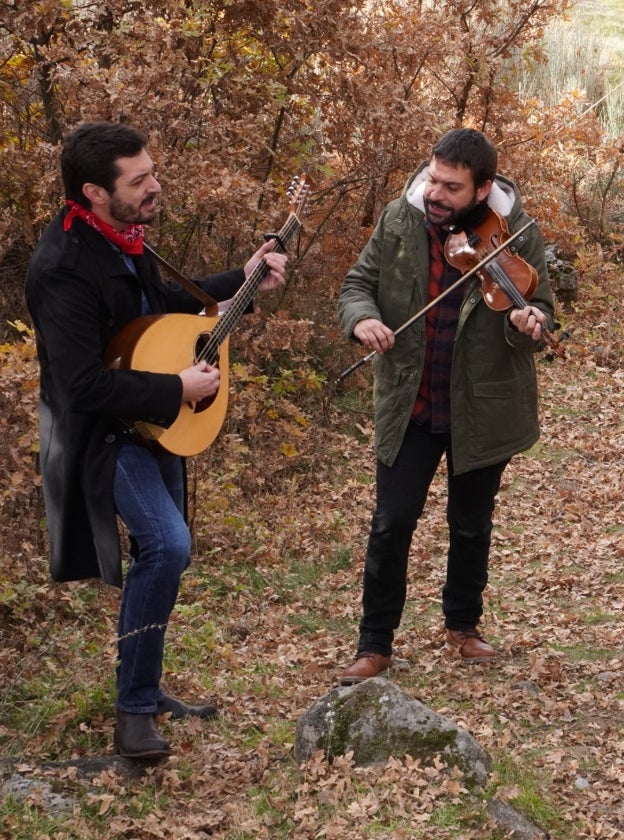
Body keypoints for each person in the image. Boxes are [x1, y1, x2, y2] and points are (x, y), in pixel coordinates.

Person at [25, 121, 287, 760]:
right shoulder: (62, 267)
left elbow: (161, 309)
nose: (154, 186)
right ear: (93, 190)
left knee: (164, 554)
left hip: (150, 425)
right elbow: (82, 384)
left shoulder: (124, 238)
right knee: (168, 546)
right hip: (100, 435)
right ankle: (133, 714)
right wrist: (176, 389)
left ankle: (142, 680)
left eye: (152, 171)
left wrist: (238, 279)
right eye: (138, 179)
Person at [335, 127, 554, 684]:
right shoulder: (399, 219)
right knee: (392, 521)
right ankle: (375, 644)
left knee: (471, 523)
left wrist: (527, 323)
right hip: (410, 401)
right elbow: (358, 282)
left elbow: (540, 308)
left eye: (451, 188)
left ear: (482, 191)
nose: (435, 194)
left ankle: (463, 625)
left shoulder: (516, 235)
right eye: (433, 179)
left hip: (480, 406)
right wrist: (362, 318)